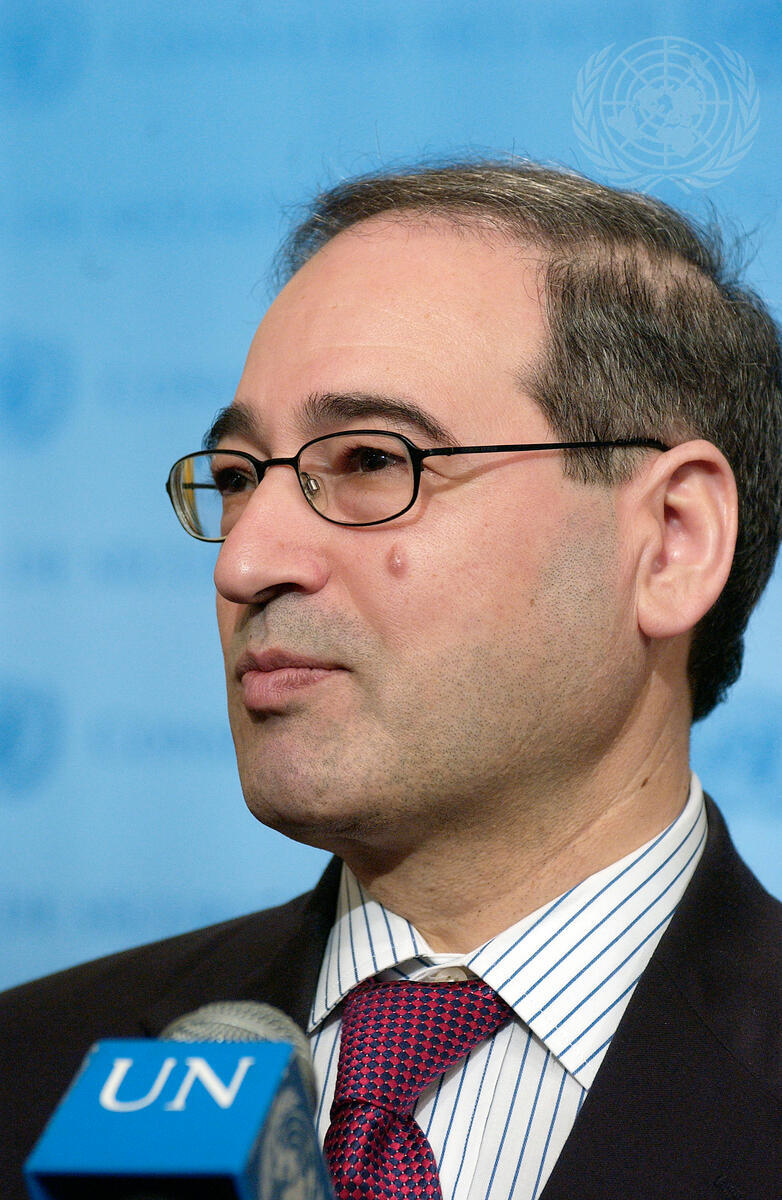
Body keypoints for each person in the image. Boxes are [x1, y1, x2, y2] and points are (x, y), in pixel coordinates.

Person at [2, 159, 781, 1199]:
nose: (245, 562)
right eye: (236, 479)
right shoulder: (33, 1076)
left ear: (672, 541)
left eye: (371, 461)